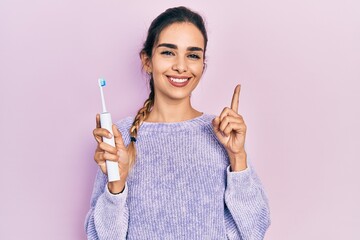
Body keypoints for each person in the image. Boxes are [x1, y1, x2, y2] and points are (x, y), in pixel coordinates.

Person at [85, 6, 270, 240]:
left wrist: (238, 158)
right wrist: (117, 185)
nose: (181, 66)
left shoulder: (222, 134)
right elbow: (101, 237)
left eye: (192, 55)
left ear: (202, 65)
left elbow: (254, 231)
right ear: (147, 61)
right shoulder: (119, 136)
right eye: (168, 52)